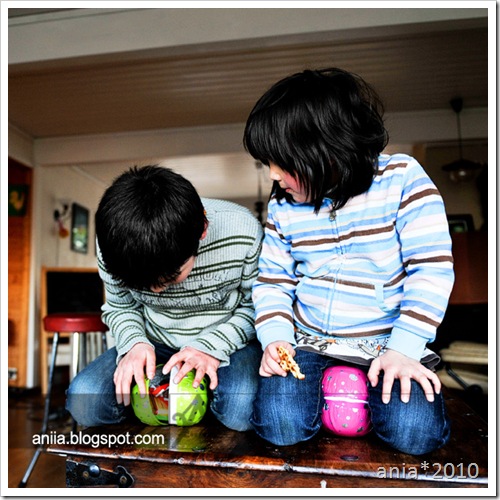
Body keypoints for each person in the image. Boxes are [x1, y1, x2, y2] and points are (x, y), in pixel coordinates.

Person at [243, 68, 455, 455]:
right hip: (307, 342)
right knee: (279, 425)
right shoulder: (282, 204)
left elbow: (431, 269)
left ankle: (351, 400)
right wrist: (276, 339)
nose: (273, 175)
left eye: (282, 162)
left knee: (414, 433)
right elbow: (273, 281)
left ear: (327, 149)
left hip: (387, 343)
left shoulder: (403, 178)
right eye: (266, 163)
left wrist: (405, 347)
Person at [66, 165, 264, 432]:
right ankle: (165, 404)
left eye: (170, 278)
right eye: (141, 284)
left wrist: (211, 347)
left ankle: (193, 405)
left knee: (240, 410)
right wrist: (134, 343)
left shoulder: (243, 230)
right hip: (154, 341)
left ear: (202, 230)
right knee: (86, 403)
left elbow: (257, 307)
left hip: (227, 342)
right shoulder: (114, 245)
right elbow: (120, 306)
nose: (156, 292)